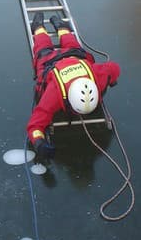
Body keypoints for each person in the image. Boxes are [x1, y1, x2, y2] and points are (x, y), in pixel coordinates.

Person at [26, 12, 120, 162]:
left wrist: (39, 142)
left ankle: (60, 27)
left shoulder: (97, 78)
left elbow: (113, 69)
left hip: (74, 56)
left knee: (69, 45)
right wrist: (39, 143)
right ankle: (39, 28)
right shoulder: (55, 93)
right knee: (43, 48)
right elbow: (35, 126)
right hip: (53, 62)